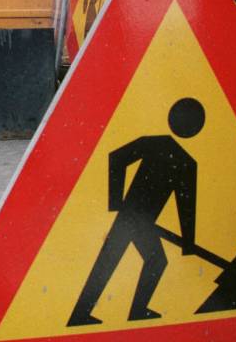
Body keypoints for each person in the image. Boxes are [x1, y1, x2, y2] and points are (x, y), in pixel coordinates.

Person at [67, 98, 203, 326]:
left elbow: (185, 204)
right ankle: (132, 311)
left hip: (137, 217)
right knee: (150, 261)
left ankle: (84, 314)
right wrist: (115, 202)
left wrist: (117, 202)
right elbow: (186, 206)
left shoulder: (167, 150)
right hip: (137, 217)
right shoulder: (185, 161)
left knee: (113, 260)